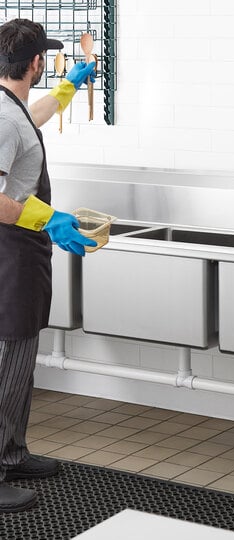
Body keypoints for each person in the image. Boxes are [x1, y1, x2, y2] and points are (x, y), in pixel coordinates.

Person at [0, 18, 97, 512]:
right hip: (9, 251)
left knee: (19, 357)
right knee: (8, 358)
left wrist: (69, 86)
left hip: (21, 250)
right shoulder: (1, 117)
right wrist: (49, 217)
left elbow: (30, 117)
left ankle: (11, 454)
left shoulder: (10, 106)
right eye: (50, 64)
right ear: (35, 62)